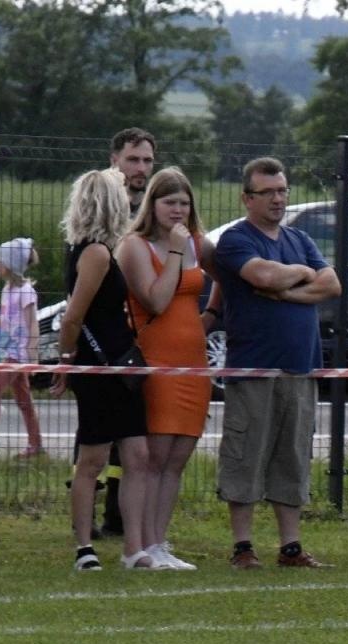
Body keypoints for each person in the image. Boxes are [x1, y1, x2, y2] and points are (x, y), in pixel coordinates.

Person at [212, 156, 339, 569]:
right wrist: (301, 274)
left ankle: (290, 547)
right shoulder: (235, 239)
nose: (278, 199)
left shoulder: (299, 238)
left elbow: (331, 284)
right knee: (246, 453)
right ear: (247, 197)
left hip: (299, 366)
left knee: (292, 457)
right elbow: (262, 276)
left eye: (282, 190)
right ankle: (243, 547)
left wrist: (288, 291)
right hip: (254, 367)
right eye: (267, 192)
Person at [51, 169, 155, 571]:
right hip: (101, 369)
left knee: (137, 454)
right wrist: (65, 361)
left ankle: (134, 546)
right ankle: (84, 547)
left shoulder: (95, 250)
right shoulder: (94, 253)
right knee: (93, 459)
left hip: (117, 369)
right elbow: (72, 317)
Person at [118, 167, 215, 571]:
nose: (177, 210)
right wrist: (175, 252)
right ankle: (136, 547)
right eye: (169, 202)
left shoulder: (198, 242)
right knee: (153, 457)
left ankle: (159, 543)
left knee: (177, 458)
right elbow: (156, 301)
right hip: (156, 363)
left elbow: (224, 275)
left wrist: (208, 316)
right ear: (152, 205)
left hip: (194, 362)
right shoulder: (135, 246)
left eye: (183, 202)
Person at [0, 237, 43, 459]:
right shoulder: (8, 290)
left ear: (8, 265)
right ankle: (36, 445)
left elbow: (32, 325)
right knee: (24, 400)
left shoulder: (25, 292)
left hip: (17, 356)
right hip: (8, 352)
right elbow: (7, 322)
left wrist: (32, 357)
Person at [109, 128, 157, 214]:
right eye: (133, 160)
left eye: (147, 160)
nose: (142, 169)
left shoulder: (159, 208)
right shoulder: (95, 205)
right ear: (114, 161)